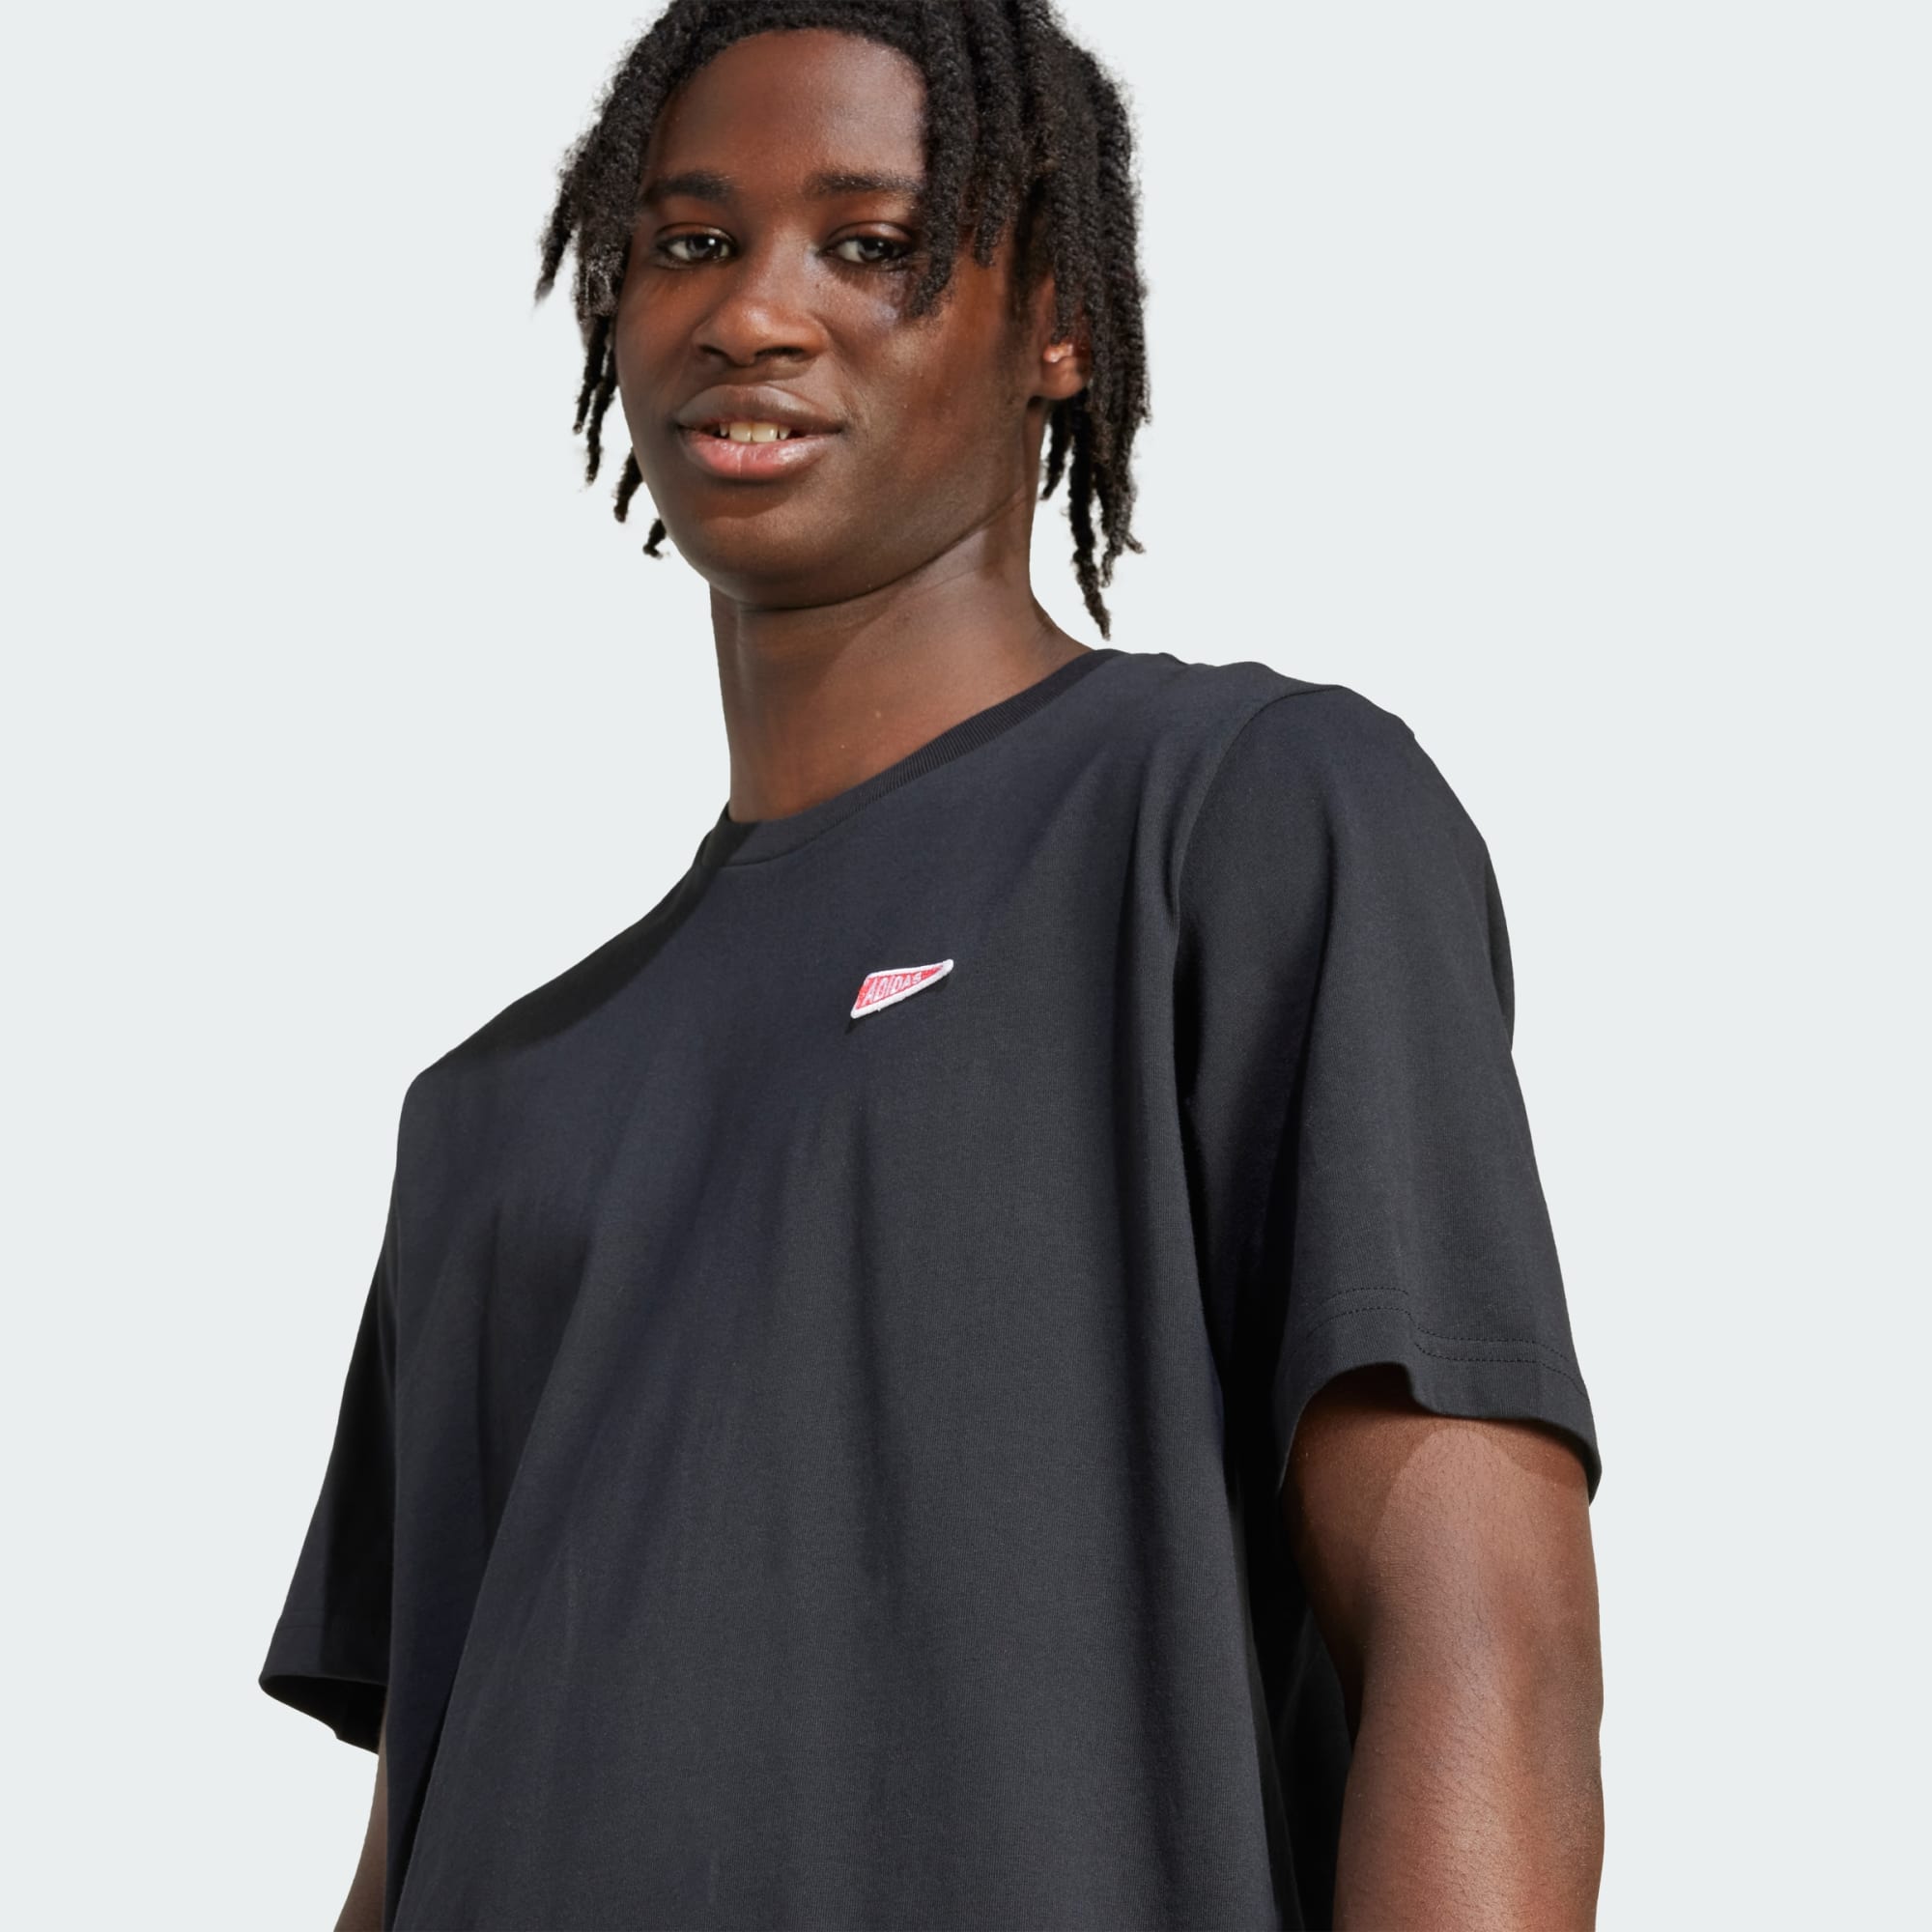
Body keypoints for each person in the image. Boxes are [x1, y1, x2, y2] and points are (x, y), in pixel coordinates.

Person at [258, 5, 1605, 1928]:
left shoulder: (1237, 814)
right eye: (691, 239)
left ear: (1058, 323)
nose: (753, 311)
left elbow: (1479, 1637)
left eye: (868, 241)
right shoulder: (488, 1109)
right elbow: (418, 1835)